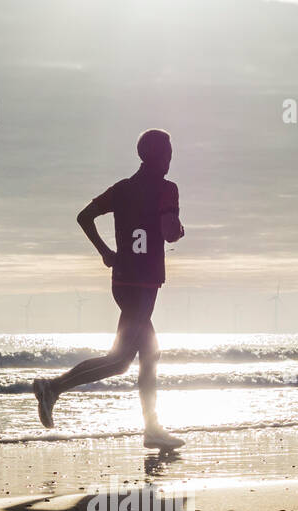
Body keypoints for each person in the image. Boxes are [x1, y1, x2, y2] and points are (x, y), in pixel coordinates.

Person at [34, 129, 185, 450]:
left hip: (123, 282)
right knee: (120, 360)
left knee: (149, 354)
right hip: (143, 286)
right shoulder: (167, 189)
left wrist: (104, 250)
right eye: (168, 153)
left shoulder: (122, 189)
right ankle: (52, 388)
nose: (171, 158)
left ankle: (152, 429)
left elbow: (84, 216)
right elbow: (170, 233)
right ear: (158, 156)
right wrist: (177, 226)